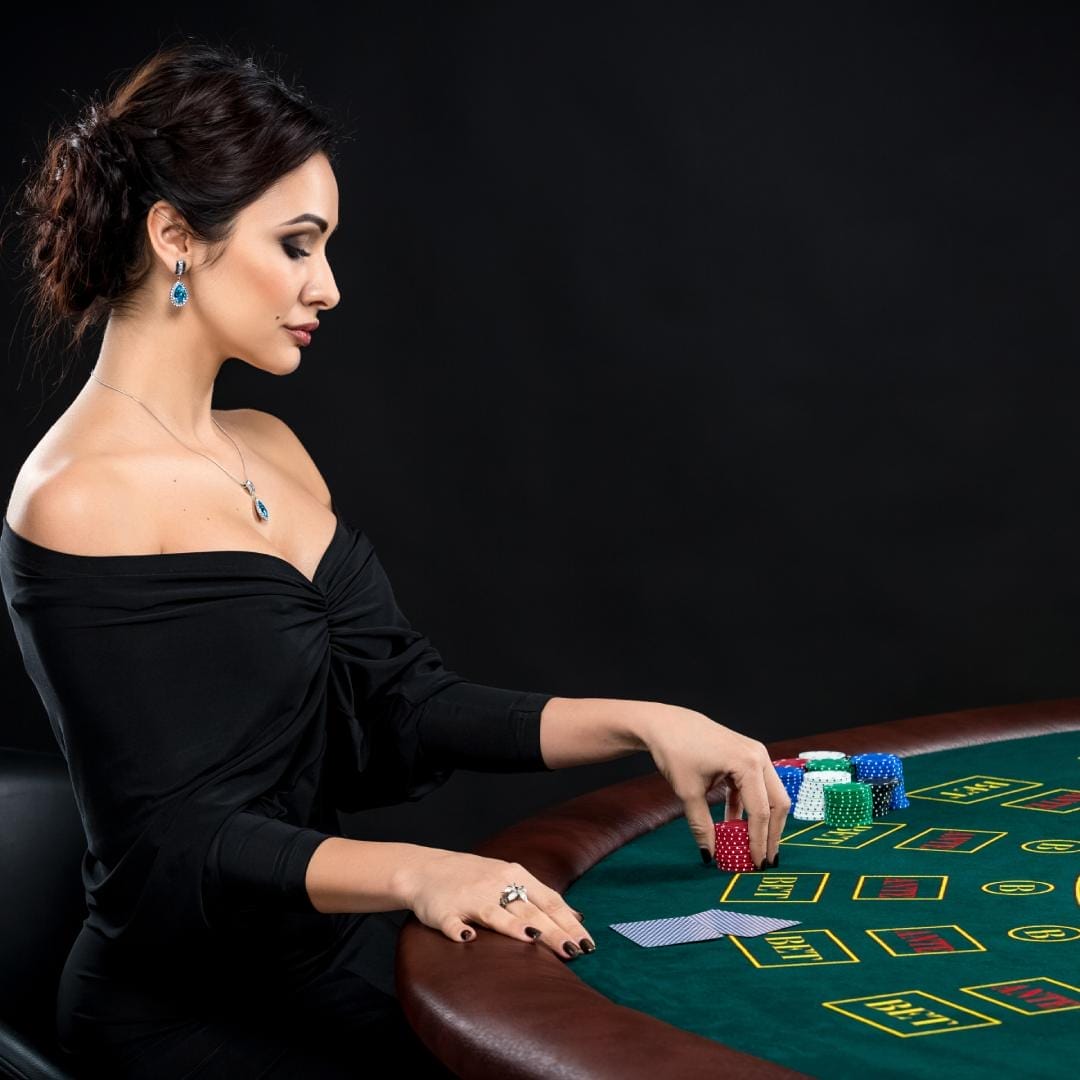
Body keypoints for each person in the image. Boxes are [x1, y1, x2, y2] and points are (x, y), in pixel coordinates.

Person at [0, 35, 791, 1079]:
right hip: (187, 1021)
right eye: (297, 244)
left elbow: (404, 703)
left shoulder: (271, 447)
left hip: (330, 963)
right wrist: (427, 874)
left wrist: (644, 724)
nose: (326, 286)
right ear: (175, 236)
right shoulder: (79, 495)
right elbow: (173, 850)